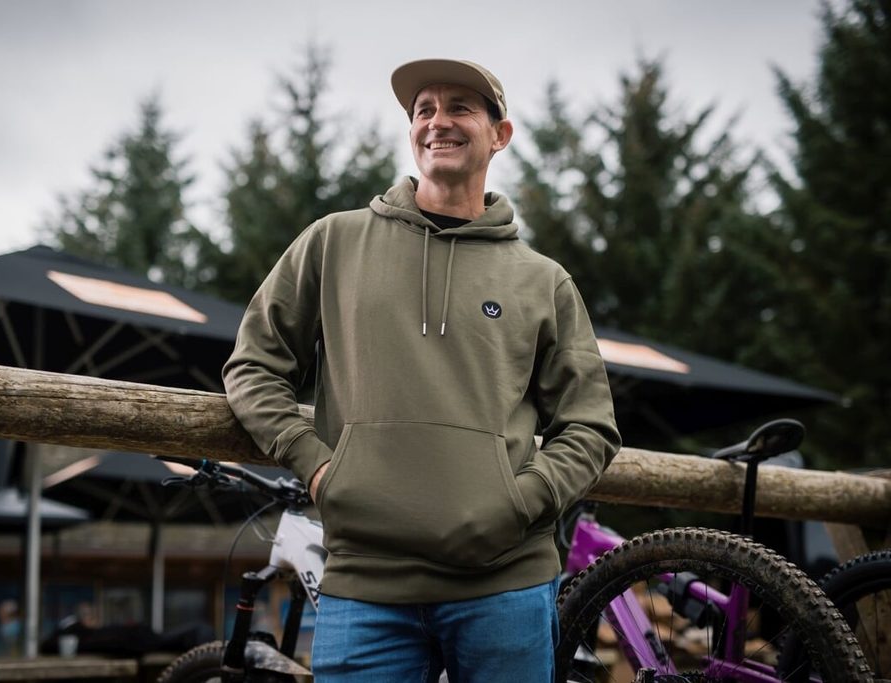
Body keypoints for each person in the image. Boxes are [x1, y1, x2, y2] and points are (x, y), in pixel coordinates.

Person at [223, 58, 620, 682]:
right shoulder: (332, 242)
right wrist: (319, 467)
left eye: (460, 107)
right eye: (424, 110)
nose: (438, 121)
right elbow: (253, 365)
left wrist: (522, 500)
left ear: (500, 134)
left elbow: (590, 425)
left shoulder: (543, 281)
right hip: (364, 585)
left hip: (505, 585)